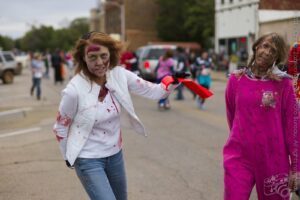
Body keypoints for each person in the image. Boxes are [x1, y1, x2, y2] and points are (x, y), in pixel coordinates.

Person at [52, 31, 183, 200]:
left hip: (115, 155)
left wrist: (172, 81)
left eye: (103, 56)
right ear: (83, 58)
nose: (99, 62)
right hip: (87, 159)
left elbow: (155, 91)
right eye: (92, 57)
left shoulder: (119, 75)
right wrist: (68, 157)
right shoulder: (74, 90)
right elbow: (60, 127)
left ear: (111, 55)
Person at [223, 32, 300, 200]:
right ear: (256, 46)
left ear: (277, 57)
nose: (267, 52)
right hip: (239, 156)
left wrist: (296, 168)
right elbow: (232, 115)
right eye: (265, 46)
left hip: (274, 159)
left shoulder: (284, 84)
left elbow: (293, 128)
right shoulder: (236, 80)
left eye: (273, 51)